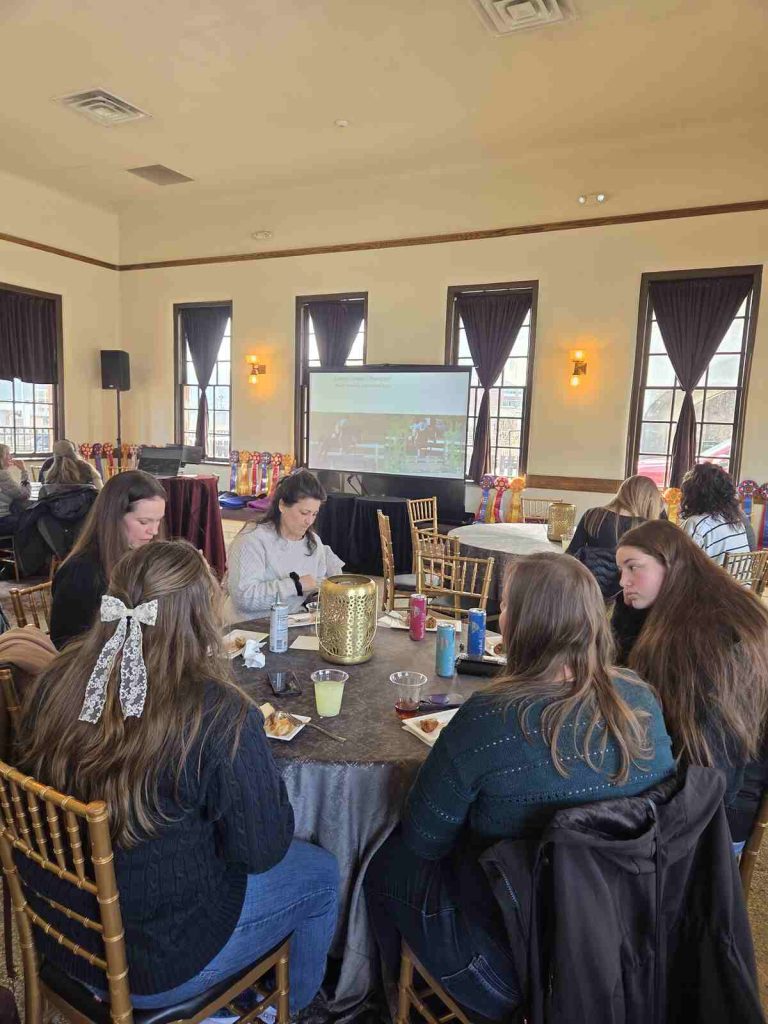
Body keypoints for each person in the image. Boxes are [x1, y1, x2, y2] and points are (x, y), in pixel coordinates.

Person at [18, 541, 338, 1014]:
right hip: (153, 963)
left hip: (59, 928)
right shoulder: (218, 713)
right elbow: (261, 850)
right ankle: (280, 1011)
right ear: (201, 618)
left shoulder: (58, 679)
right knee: (320, 873)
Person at [365, 552, 674, 1021]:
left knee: (386, 861)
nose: (500, 616)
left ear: (526, 625)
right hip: (627, 948)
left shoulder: (490, 718)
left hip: (513, 968)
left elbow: (424, 840)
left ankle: (382, 1001)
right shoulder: (641, 697)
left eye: (506, 606)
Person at [613, 519, 768, 849]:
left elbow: (712, 757)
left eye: (633, 567)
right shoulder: (683, 611)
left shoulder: (709, 634)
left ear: (670, 564)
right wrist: (627, 617)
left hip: (714, 814)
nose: (623, 581)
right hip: (707, 788)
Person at [49, 470, 166, 649]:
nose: (154, 531)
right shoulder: (80, 572)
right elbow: (66, 644)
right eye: (144, 522)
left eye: (158, 521)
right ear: (114, 518)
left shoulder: (140, 556)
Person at [224, 469, 344, 620]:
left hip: (290, 624)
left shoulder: (313, 543)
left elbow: (314, 586)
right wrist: (295, 585)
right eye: (304, 513)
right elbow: (243, 598)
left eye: (314, 514)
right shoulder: (252, 540)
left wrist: (324, 593)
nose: (309, 521)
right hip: (248, 630)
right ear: (282, 505)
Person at [566, 474, 663, 598]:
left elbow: (570, 555)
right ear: (649, 499)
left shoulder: (592, 515)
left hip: (588, 592)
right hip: (626, 597)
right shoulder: (646, 527)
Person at [679, 462, 752, 565]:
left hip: (714, 581)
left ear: (692, 493)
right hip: (741, 581)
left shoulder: (697, 524)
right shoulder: (736, 522)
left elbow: (680, 568)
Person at [39, 438, 103, 496]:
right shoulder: (87, 468)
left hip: (56, 508)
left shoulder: (48, 469)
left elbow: (42, 491)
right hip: (85, 508)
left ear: (54, 454)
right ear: (74, 452)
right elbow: (100, 492)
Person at [0, 443, 32, 536]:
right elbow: (25, 494)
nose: (11, 457)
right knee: (33, 520)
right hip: (3, 520)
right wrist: (24, 471)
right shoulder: (2, 475)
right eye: (7, 454)